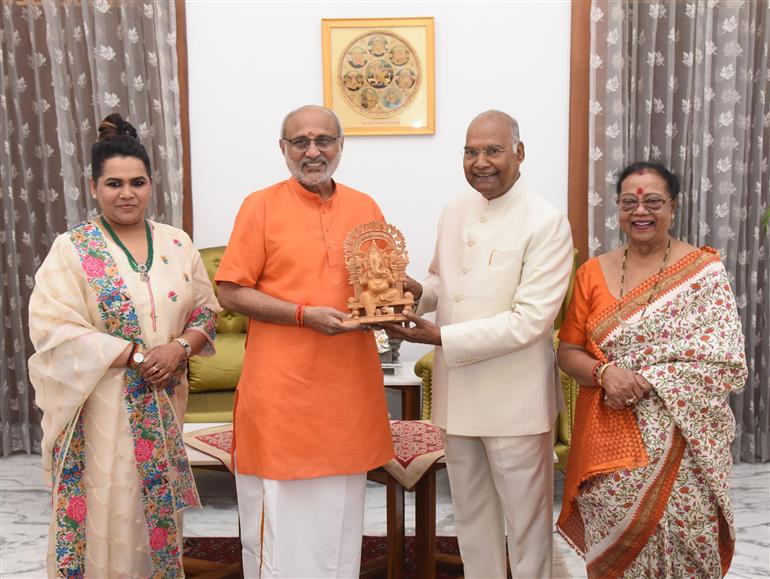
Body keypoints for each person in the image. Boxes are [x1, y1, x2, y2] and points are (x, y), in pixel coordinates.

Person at [28, 113, 220, 577]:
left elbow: (205, 311)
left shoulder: (176, 242)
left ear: (151, 185)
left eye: (137, 182)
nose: (127, 193)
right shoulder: (73, 248)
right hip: (100, 407)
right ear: (94, 187)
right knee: (107, 505)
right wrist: (135, 356)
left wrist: (179, 349)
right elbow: (53, 327)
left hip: (162, 400)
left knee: (153, 508)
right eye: (114, 183)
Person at [384, 110, 573, 578]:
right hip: (459, 399)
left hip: (515, 403)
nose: (480, 162)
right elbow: (440, 281)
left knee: (526, 529)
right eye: (471, 151)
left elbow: (530, 321)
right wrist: (417, 293)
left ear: (519, 153)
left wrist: (439, 336)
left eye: (493, 150)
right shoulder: (455, 209)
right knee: (471, 522)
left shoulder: (547, 221)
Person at [214, 105, 394, 578]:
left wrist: (398, 297)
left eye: (323, 140)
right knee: (281, 520)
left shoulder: (365, 206)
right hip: (283, 394)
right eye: (301, 142)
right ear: (283, 148)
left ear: (340, 145)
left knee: (340, 519)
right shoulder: (260, 206)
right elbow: (229, 291)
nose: (313, 152)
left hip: (348, 390)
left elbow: (379, 285)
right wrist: (301, 315)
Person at [555, 161, 747, 578]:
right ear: (618, 209)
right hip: (611, 445)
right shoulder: (591, 273)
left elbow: (725, 356)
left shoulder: (703, 273)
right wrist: (606, 374)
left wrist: (650, 378)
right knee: (619, 548)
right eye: (629, 202)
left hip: (686, 444)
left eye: (653, 202)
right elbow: (568, 352)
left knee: (690, 539)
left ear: (673, 208)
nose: (640, 211)